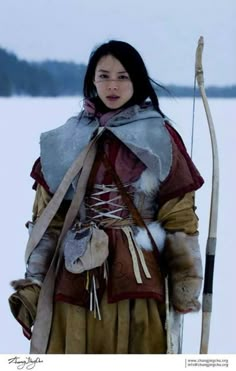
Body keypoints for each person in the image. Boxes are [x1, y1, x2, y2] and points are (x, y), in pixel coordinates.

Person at [9, 40, 204, 354]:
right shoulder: (66, 139)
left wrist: (185, 281)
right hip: (74, 271)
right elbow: (48, 220)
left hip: (138, 275)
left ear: (137, 80)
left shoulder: (159, 138)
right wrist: (34, 283)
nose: (112, 85)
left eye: (123, 76)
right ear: (92, 81)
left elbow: (179, 215)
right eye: (104, 76)